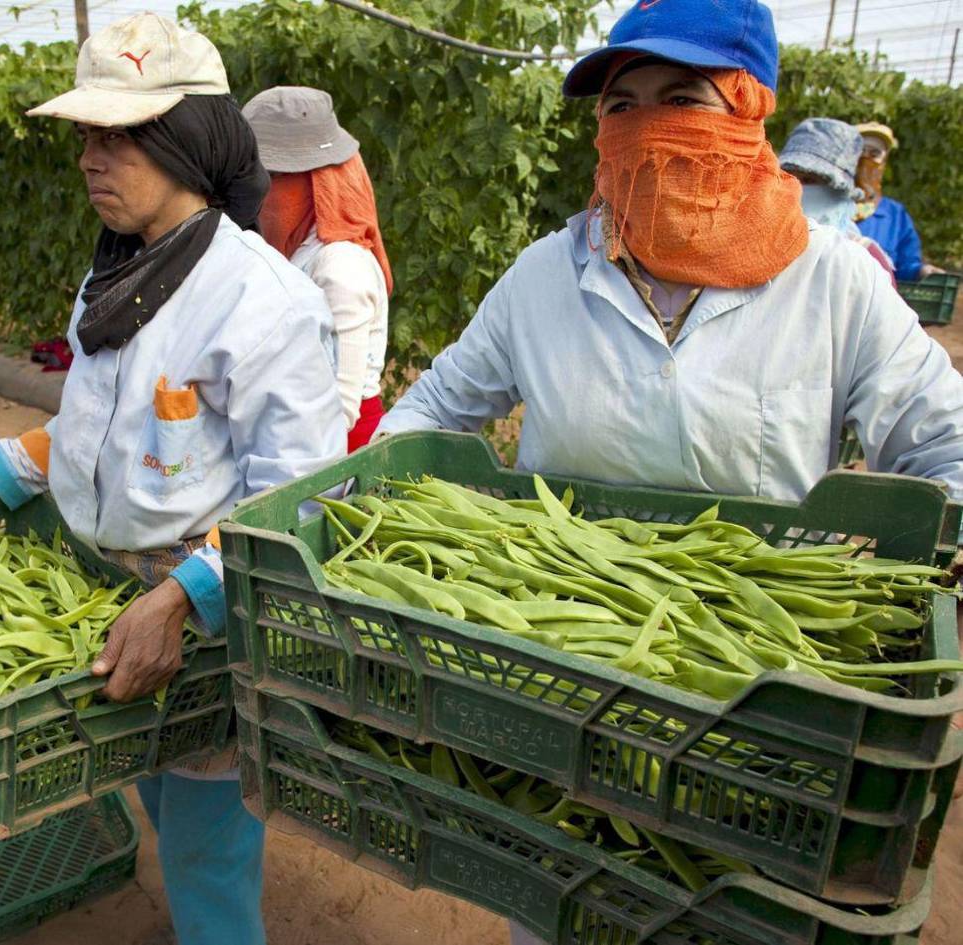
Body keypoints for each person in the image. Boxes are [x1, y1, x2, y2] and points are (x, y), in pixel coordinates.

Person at [375, 3, 963, 933]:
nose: (646, 125)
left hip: (756, 712)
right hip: (548, 690)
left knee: (724, 901)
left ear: (745, 109)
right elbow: (433, 410)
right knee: (557, 894)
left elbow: (943, 446)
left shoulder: (832, 280)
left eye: (681, 97)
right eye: (621, 103)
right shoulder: (544, 275)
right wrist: (374, 489)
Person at [0, 14, 345, 945]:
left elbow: (303, 494)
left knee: (205, 851)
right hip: (112, 599)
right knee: (154, 788)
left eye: (118, 136)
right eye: (84, 137)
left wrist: (184, 599)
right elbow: (99, 426)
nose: (89, 160)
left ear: (185, 140)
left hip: (210, 621)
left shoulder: (263, 302)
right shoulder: (117, 273)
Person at [242, 86, 392, 452]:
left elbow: (339, 408)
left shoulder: (340, 266)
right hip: (301, 438)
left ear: (312, 184)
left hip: (337, 453)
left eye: (272, 178)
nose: (259, 195)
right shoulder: (300, 251)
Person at [778, 117, 894, 281]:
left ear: (839, 192)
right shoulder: (757, 247)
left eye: (810, 181)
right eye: (789, 178)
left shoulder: (864, 259)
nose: (798, 189)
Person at [853, 122, 942, 282]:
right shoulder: (830, 205)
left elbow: (906, 266)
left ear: (884, 161)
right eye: (861, 151)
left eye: (874, 154)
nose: (866, 159)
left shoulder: (895, 215)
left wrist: (922, 271)